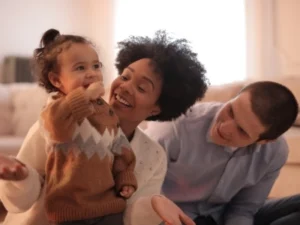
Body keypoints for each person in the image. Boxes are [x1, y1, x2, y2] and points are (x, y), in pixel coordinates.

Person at [0, 30, 208, 225]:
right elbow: (17, 204)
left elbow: (128, 218)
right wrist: (21, 178)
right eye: (125, 76)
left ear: (156, 108)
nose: (125, 87)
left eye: (141, 87)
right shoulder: (61, 120)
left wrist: (155, 205)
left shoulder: (153, 156)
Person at [145, 81, 300, 225]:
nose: (224, 128)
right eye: (231, 111)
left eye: (242, 131)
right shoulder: (174, 127)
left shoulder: (274, 152)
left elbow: (243, 209)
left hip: (224, 214)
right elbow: (136, 189)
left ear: (264, 141)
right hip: (175, 217)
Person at [37, 28, 137, 224]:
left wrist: (125, 178)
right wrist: (85, 96)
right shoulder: (56, 108)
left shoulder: (106, 112)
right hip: (70, 210)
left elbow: (120, 148)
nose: (92, 74)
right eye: (80, 68)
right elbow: (56, 128)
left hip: (109, 207)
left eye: (96, 66)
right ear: (56, 80)